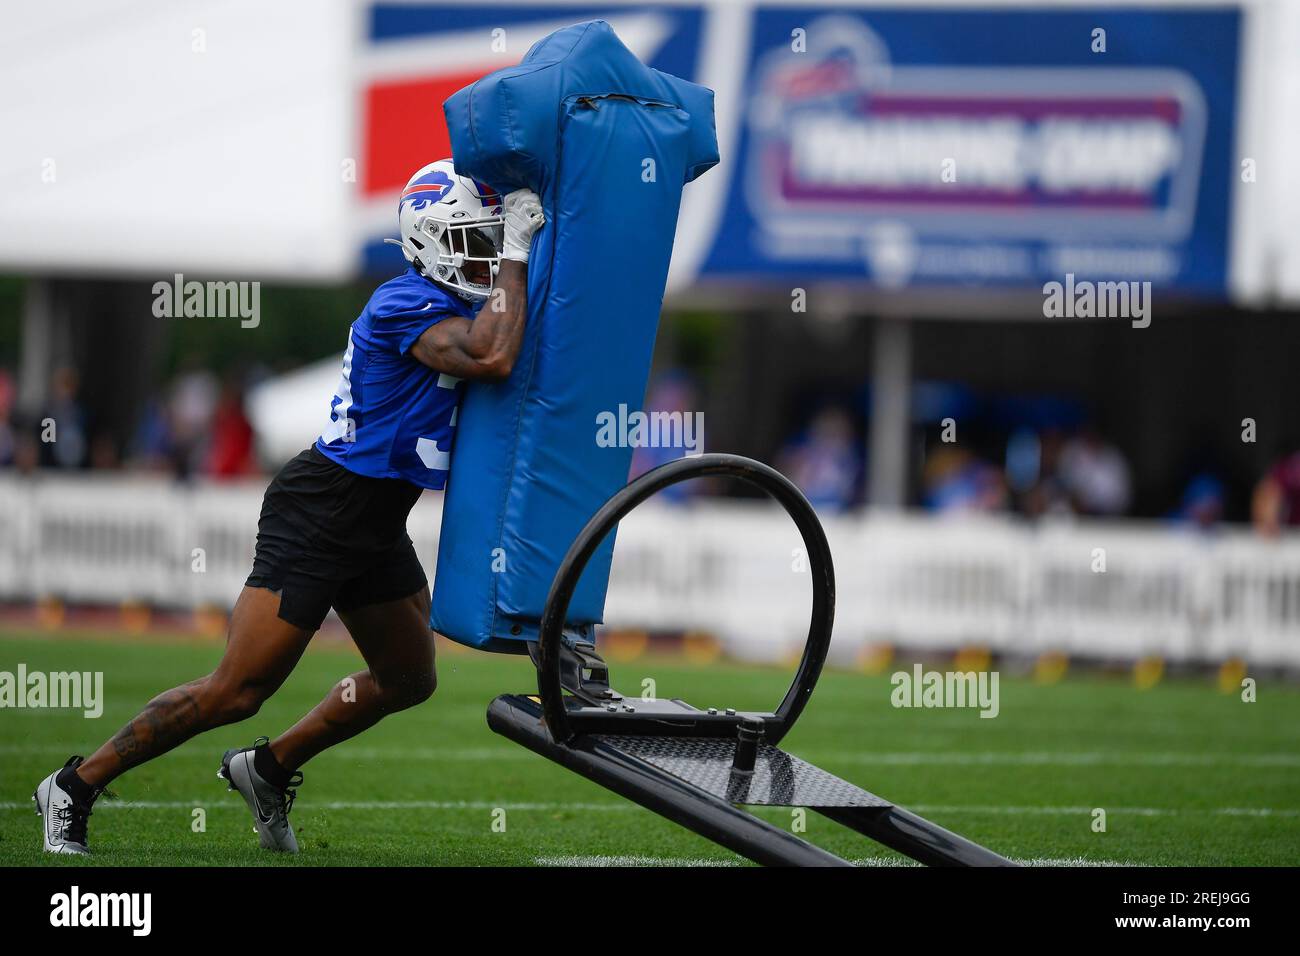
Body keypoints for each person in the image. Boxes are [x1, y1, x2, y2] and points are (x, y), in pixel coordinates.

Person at [33, 160, 546, 855]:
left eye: (490, 241)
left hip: (374, 519)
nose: (486, 254)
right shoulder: (406, 303)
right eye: (474, 240)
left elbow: (504, 344)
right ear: (430, 244)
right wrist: (517, 251)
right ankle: (74, 786)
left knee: (408, 678)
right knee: (236, 690)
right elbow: (491, 356)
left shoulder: (460, 307)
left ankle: (268, 768)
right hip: (322, 507)